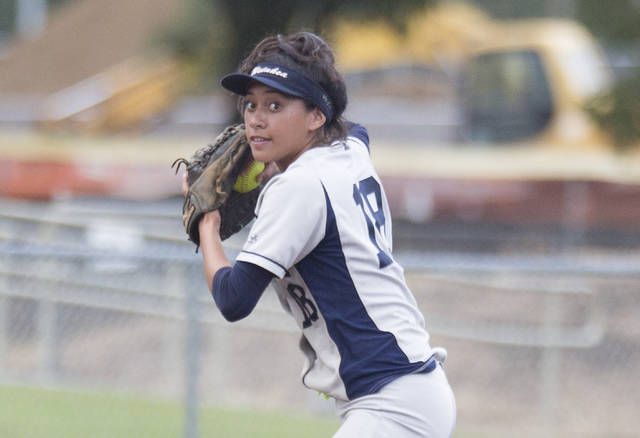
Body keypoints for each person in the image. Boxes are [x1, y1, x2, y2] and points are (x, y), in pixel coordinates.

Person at [186, 31, 456, 438]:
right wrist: (279, 158)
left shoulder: (300, 187)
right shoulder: (350, 149)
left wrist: (208, 224)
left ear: (316, 116)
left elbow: (233, 298)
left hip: (392, 404)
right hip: (407, 393)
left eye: (276, 105)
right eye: (251, 105)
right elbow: (355, 127)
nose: (256, 119)